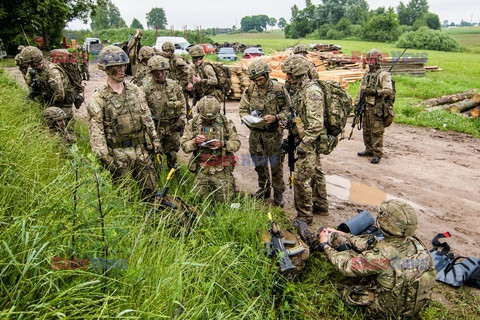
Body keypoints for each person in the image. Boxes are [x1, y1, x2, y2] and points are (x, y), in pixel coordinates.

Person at [299, 200, 436, 318]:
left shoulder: (380, 257)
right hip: (411, 301)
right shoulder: (417, 244)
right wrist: (342, 234)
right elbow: (371, 243)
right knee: (348, 242)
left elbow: (345, 266)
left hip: (388, 310)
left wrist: (325, 246)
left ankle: (315, 242)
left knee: (344, 291)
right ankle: (318, 239)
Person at [86, 45, 161, 200]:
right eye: (116, 67)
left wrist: (154, 138)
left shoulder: (135, 91)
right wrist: (106, 158)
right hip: (118, 153)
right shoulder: (99, 98)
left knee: (151, 191)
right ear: (106, 69)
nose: (121, 70)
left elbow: (146, 117)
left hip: (140, 150)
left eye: (123, 66)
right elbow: (96, 132)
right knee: (123, 197)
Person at [281, 54, 329, 224]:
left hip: (310, 140)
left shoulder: (312, 91)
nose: (287, 78)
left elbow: (316, 124)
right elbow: (297, 112)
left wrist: (304, 143)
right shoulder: (300, 89)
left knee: (301, 179)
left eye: (290, 74)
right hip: (305, 138)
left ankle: (304, 217)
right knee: (316, 171)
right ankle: (321, 205)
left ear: (299, 73)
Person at [239, 59, 289, 207]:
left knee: (276, 165)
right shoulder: (250, 90)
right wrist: (248, 119)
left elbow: (288, 110)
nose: (258, 82)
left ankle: (278, 192)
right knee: (259, 163)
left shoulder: (278, 89)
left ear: (267, 75)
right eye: (254, 80)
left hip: (273, 134)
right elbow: (242, 110)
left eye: (260, 79)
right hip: (256, 134)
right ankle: (264, 188)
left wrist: (276, 117)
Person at [180, 96, 240, 203]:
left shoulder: (225, 122)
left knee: (226, 202)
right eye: (205, 119)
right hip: (202, 168)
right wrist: (194, 141)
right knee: (197, 201)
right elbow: (184, 146)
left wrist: (223, 143)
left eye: (211, 119)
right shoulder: (192, 123)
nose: (208, 121)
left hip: (221, 168)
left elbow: (236, 144)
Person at [140, 55, 186, 169]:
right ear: (151, 72)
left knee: (172, 155)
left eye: (164, 72)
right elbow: (141, 111)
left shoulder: (174, 86)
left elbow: (183, 104)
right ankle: (157, 180)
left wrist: (181, 120)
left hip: (172, 127)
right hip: (155, 129)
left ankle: (175, 178)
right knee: (154, 156)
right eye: (157, 72)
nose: (161, 75)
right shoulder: (144, 89)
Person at [356, 48, 394, 164]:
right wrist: (357, 103)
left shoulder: (383, 75)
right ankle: (369, 149)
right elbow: (360, 90)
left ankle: (377, 153)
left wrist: (375, 92)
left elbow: (388, 90)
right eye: (369, 60)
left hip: (377, 107)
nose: (370, 62)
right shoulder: (367, 74)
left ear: (378, 60)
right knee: (366, 129)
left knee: (376, 131)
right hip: (366, 106)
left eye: (373, 60)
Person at [21, 46, 74, 123]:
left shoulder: (52, 72)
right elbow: (32, 84)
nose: (29, 66)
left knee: (65, 124)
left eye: (30, 64)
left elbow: (60, 95)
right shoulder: (36, 70)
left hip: (63, 102)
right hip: (49, 97)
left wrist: (50, 108)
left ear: (35, 62)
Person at [161, 41, 193, 119]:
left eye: (168, 51)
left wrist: (190, 82)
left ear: (172, 50)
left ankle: (189, 119)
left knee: (184, 105)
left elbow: (189, 69)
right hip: (176, 87)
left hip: (183, 87)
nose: (166, 53)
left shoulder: (177, 60)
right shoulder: (170, 61)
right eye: (165, 51)